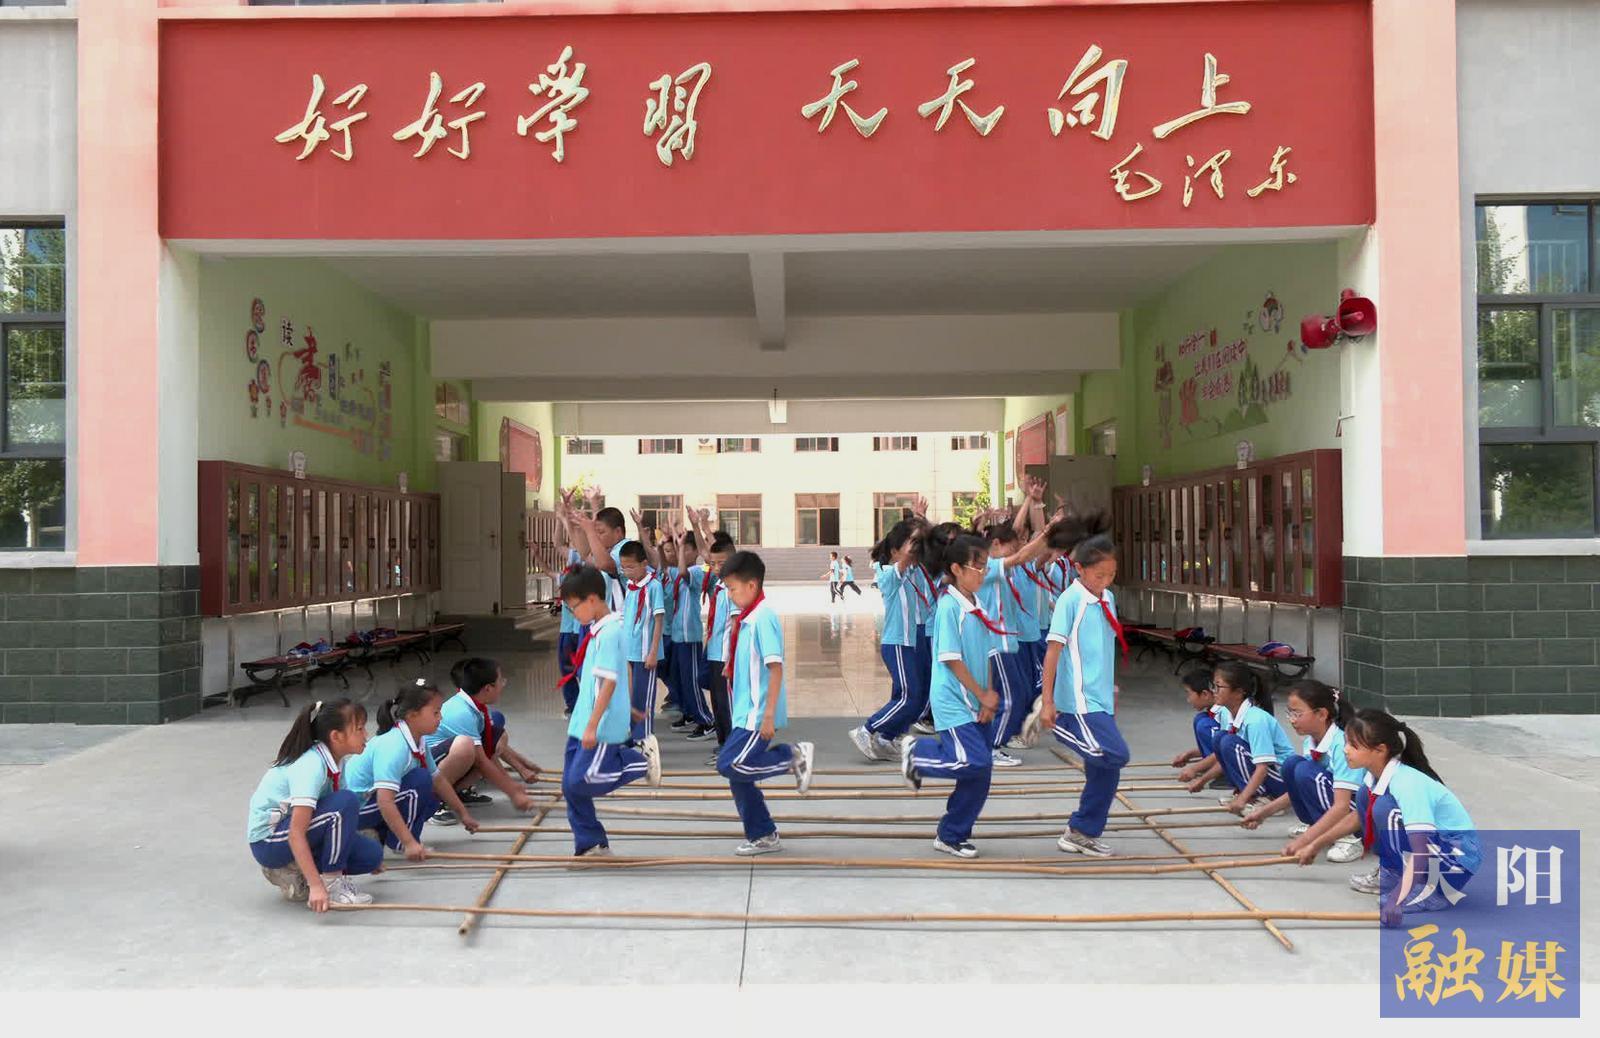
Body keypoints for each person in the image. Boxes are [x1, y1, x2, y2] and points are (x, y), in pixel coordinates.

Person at [1292, 709, 1479, 927]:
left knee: (1385, 809)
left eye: (1353, 745)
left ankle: (1431, 890)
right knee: (1366, 798)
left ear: (1380, 750)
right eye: (1346, 743)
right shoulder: (1374, 777)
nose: (1345, 750)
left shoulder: (1407, 785)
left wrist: (1396, 900)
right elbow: (1357, 818)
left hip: (1455, 861)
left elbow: (1421, 849)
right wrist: (1315, 845)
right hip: (1437, 850)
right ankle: (1393, 872)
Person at [900, 530, 1002, 859]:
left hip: (976, 702)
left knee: (980, 773)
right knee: (973, 760)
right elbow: (951, 659)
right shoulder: (948, 607)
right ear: (957, 569)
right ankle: (916, 754)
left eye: (985, 566)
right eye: (978, 566)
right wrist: (980, 694)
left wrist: (988, 696)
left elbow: (988, 655)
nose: (983, 573)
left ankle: (952, 834)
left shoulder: (978, 605)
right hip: (953, 701)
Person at [1039, 517, 1132, 857]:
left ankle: (1081, 832)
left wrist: (1111, 687)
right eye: (1099, 575)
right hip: (1078, 701)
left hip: (1100, 698)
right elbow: (1053, 652)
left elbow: (1102, 647)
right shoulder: (1071, 600)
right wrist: (1047, 702)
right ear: (1079, 569)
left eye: (1111, 574)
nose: (1105, 581)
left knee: (1105, 770)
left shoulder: (1107, 598)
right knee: (1116, 754)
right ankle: (1060, 726)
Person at [715, 549, 815, 855]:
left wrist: (768, 715)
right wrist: (731, 668)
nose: (730, 595)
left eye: (733, 588)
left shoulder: (763, 617)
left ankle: (793, 756)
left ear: (752, 585)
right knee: (738, 778)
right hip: (744, 713)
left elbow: (775, 668)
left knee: (730, 764)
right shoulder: (747, 618)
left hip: (757, 715)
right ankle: (763, 834)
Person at [560, 564, 662, 857]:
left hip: (600, 724)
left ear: (592, 599)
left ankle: (639, 760)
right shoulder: (600, 629)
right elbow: (623, 668)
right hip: (583, 720)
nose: (573, 614)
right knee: (570, 785)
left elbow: (608, 681)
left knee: (582, 779)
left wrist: (594, 725)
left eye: (574, 607)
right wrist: (628, 706)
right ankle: (591, 841)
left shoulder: (609, 632)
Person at [247, 698, 384, 911]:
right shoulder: (311, 766)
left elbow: (337, 823)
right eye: (359, 729)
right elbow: (296, 833)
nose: (366, 734)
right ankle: (330, 885)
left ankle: (295, 868)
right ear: (336, 736)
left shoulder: (337, 761)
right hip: (269, 841)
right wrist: (317, 886)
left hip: (295, 831)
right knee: (345, 801)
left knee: (371, 855)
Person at [346, 680, 480, 859]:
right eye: (435, 712)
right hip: (355, 811)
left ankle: (381, 834)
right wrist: (409, 843)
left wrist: (463, 814)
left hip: (372, 804)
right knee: (420, 781)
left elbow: (439, 780)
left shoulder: (418, 740)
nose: (440, 717)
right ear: (412, 715)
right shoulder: (395, 747)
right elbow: (385, 801)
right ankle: (401, 843)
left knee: (432, 796)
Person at [1238, 679, 1364, 863]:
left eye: (1297, 713)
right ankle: (1316, 824)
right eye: (1290, 713)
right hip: (1341, 806)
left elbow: (1342, 806)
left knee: (1304, 770)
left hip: (1358, 818)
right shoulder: (1310, 742)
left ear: (1321, 714)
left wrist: (1304, 841)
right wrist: (1263, 813)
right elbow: (1297, 790)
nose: (1292, 720)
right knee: (1292, 765)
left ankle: (1348, 838)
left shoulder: (1341, 746)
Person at [423, 657, 542, 823]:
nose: (503, 685)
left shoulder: (476, 707)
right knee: (466, 748)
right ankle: (432, 800)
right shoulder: (462, 712)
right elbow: (481, 762)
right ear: (488, 688)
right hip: (425, 768)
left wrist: (516, 777)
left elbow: (488, 754)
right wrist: (512, 792)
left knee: (494, 739)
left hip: (442, 761)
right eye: (501, 681)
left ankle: (455, 792)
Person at [849, 518, 923, 762]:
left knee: (909, 696)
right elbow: (905, 560)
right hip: (896, 643)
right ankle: (867, 730)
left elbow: (916, 556)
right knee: (909, 696)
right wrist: (916, 531)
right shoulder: (888, 573)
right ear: (894, 552)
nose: (916, 547)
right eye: (911, 542)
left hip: (907, 643)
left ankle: (886, 738)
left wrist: (921, 523)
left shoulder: (910, 572)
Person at [1205, 660, 1296, 817]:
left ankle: (1268, 798)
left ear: (1238, 692)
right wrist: (1202, 779)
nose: (1214, 691)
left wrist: (1243, 799)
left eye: (1218, 687)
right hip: (1265, 774)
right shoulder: (1226, 713)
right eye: (1213, 685)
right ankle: (1246, 791)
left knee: (1228, 742)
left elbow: (1262, 767)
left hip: (1281, 781)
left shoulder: (1255, 720)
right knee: (1220, 739)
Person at [689, 507, 737, 767]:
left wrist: (732, 658)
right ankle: (723, 743)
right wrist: (697, 525)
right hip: (715, 650)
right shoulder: (718, 585)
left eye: (721, 563)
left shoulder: (733, 589)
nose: (716, 567)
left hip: (727, 655)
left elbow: (736, 624)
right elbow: (706, 552)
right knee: (717, 702)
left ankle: (732, 747)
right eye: (714, 563)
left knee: (727, 703)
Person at [667, 522, 716, 741]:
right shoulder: (678, 573)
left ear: (696, 552)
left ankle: (706, 720)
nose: (682, 552)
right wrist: (670, 542)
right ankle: (690, 713)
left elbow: (683, 572)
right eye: (681, 549)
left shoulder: (698, 571)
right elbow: (666, 567)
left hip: (690, 635)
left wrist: (698, 526)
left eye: (686, 549)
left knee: (691, 680)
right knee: (678, 678)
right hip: (678, 634)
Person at [617, 540, 665, 743]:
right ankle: (633, 735)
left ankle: (644, 738)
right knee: (630, 696)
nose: (627, 572)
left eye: (631, 567)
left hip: (645, 653)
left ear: (644, 564)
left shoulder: (653, 586)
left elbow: (658, 619)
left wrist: (653, 652)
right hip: (629, 650)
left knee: (643, 697)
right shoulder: (631, 587)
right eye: (624, 568)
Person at [1170, 669, 1230, 770]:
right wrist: (1190, 754)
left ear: (1205, 694)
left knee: (1204, 724)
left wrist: (1195, 769)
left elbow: (1227, 749)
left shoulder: (1225, 713)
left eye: (1189, 694)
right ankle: (1210, 764)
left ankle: (1221, 770)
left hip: (1238, 757)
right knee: (1200, 719)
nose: (1188, 700)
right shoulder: (1214, 711)